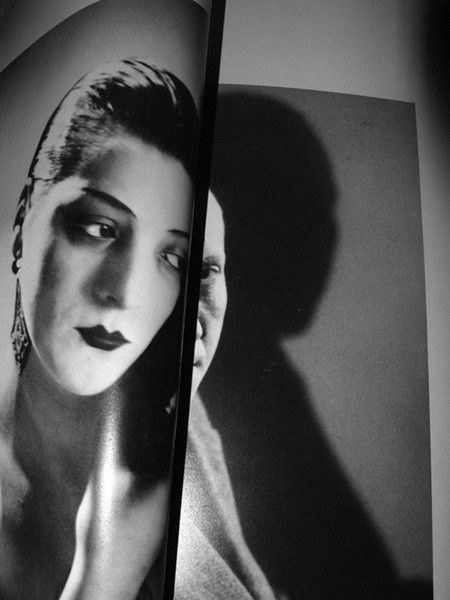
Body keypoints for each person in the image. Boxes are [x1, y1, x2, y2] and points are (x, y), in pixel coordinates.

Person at [0, 58, 199, 600]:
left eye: (172, 258)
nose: (125, 292)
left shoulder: (179, 494)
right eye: (99, 227)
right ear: (22, 220)